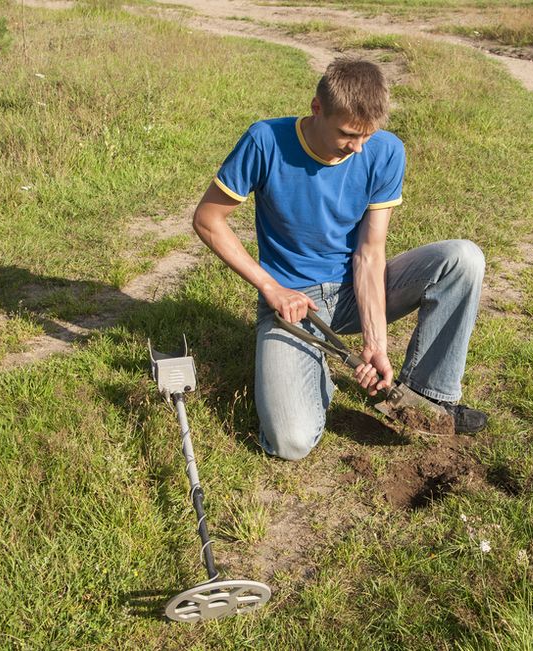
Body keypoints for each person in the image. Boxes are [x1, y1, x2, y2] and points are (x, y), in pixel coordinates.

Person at [193, 57, 487, 461]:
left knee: (463, 259)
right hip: (294, 306)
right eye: (348, 134)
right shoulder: (265, 141)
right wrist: (271, 287)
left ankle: (427, 397)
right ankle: (315, 370)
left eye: (367, 135)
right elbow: (208, 219)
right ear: (317, 108)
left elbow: (369, 254)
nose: (357, 147)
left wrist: (375, 344)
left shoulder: (385, 152)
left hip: (355, 287)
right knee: (290, 441)